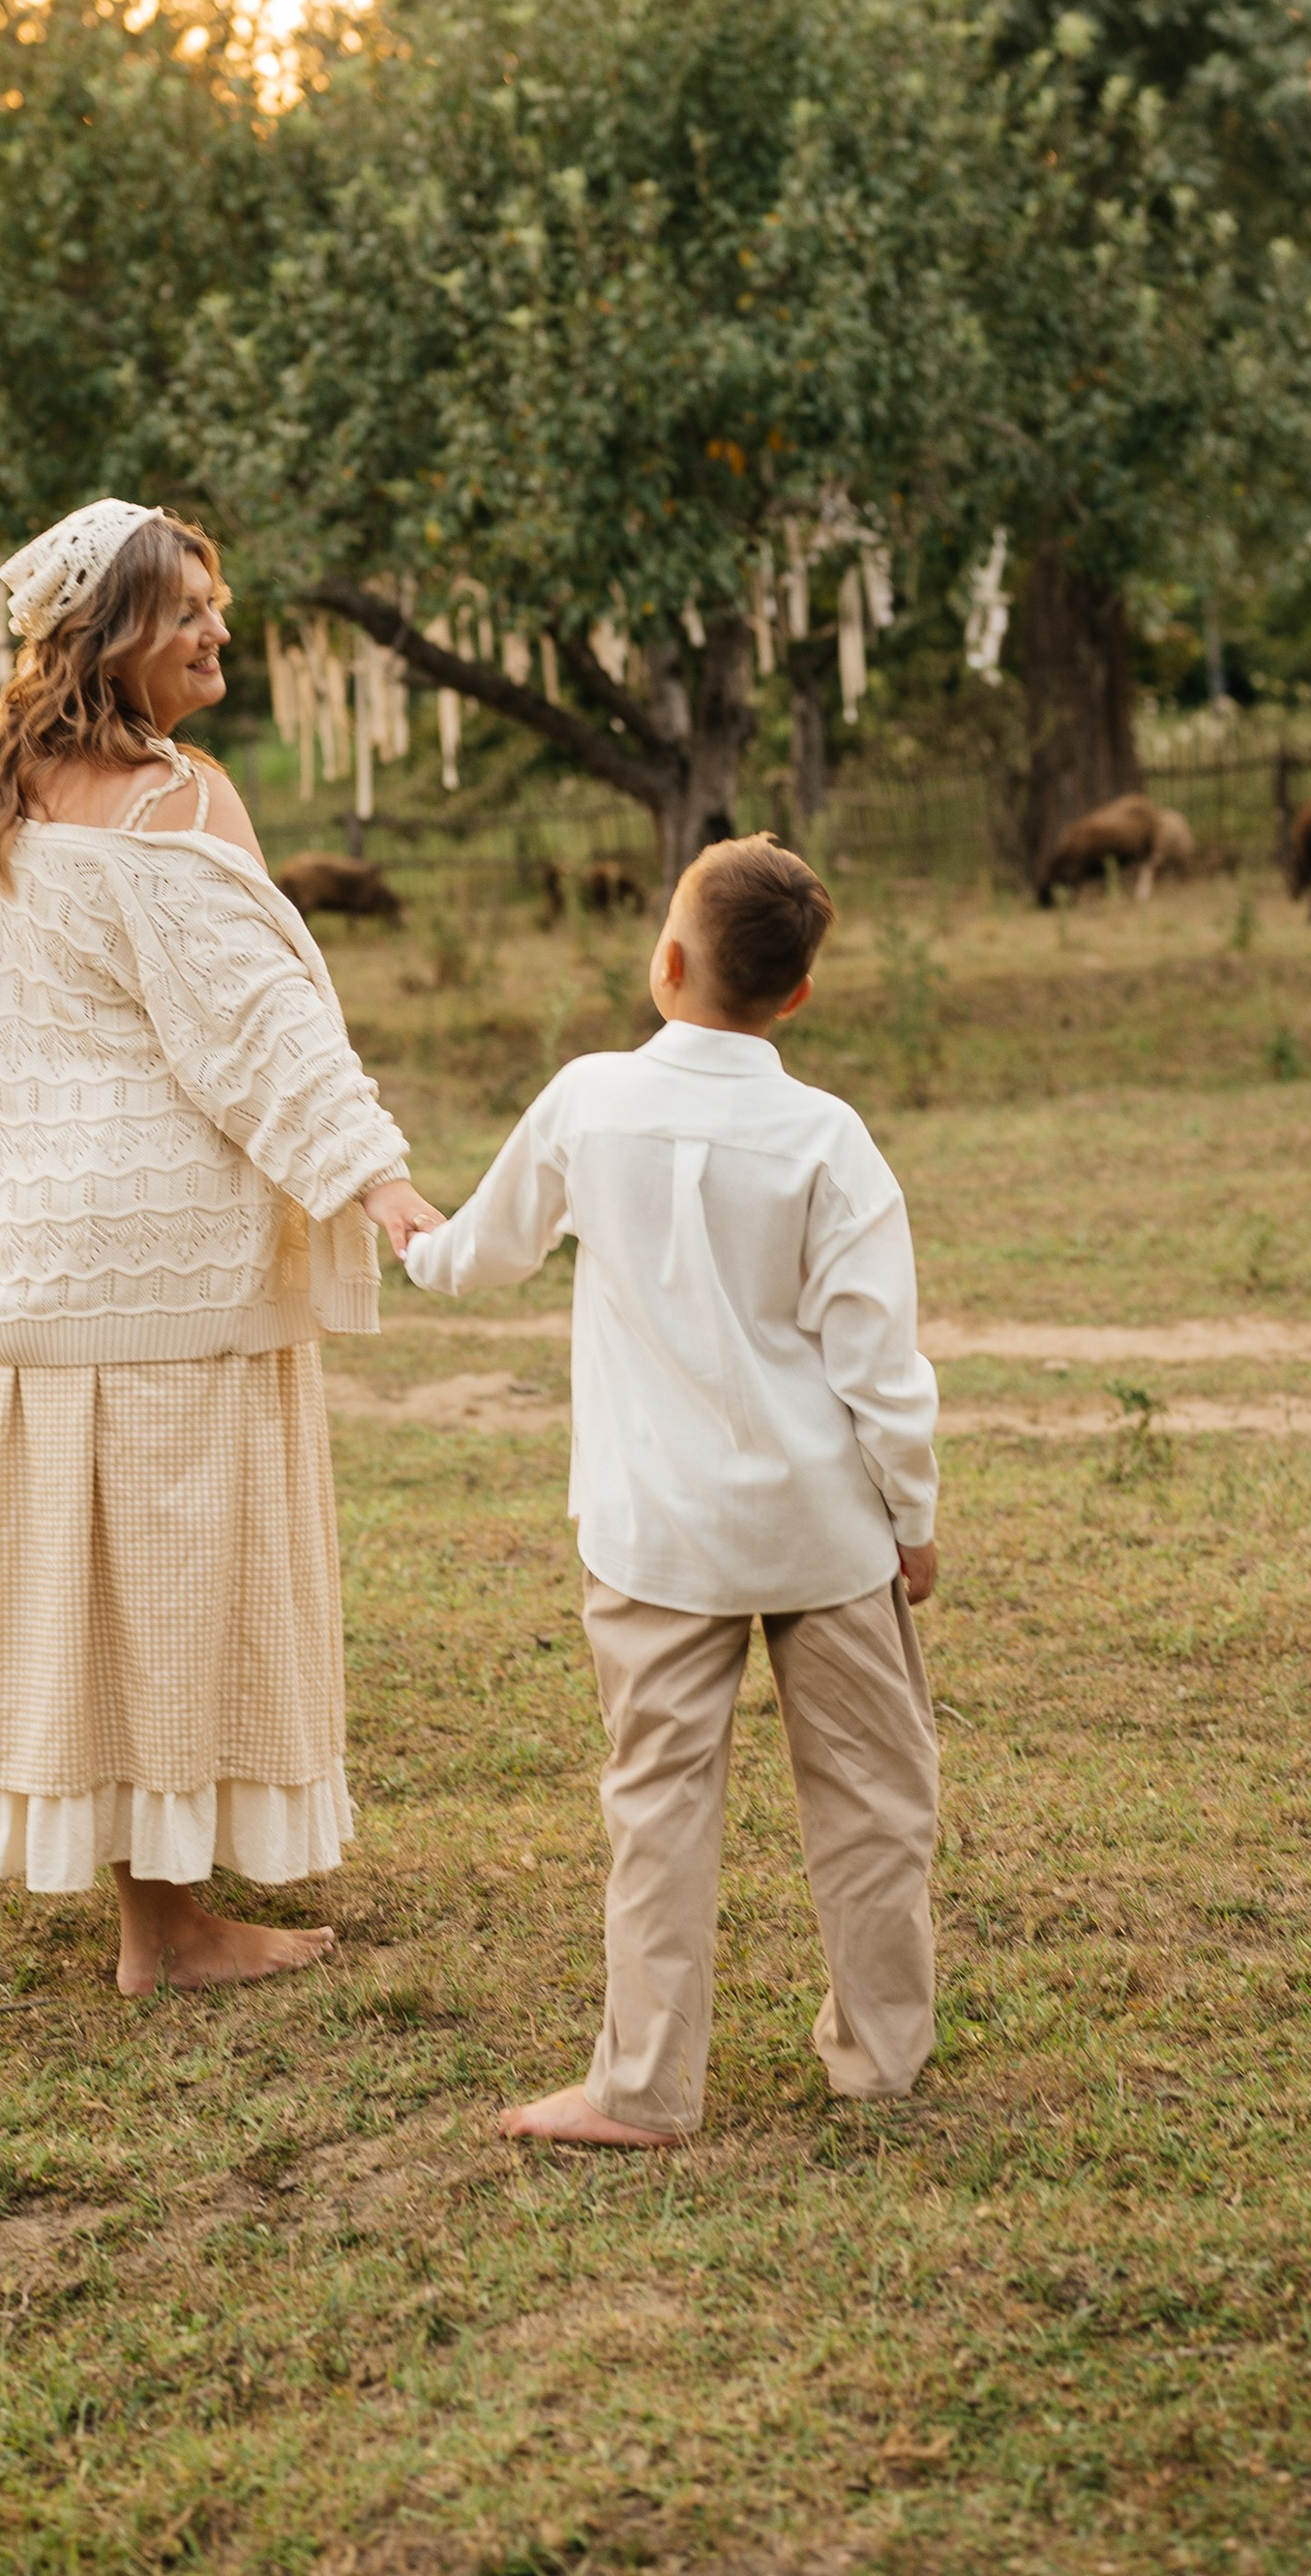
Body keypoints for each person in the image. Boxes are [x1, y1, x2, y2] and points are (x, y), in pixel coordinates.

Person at [0, 498, 442, 1996]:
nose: (218, 629)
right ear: (114, 632)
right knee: (179, 1584)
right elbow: (260, 1029)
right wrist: (378, 1180)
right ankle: (172, 1931)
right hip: (167, 1264)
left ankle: (156, 1904)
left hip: (38, 1259)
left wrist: (44, 1124)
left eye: (217, 602)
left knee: (95, 1596)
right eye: (189, 608)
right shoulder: (174, 800)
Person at [403, 832, 939, 2145]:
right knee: (875, 1799)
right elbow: (879, 1365)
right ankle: (881, 2057)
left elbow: (480, 1255)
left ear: (666, 963)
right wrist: (913, 1520)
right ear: (796, 995)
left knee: (658, 1802)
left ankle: (644, 2086)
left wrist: (408, 1231)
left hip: (656, 1536)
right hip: (824, 1532)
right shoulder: (830, 1139)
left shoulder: (588, 1102)